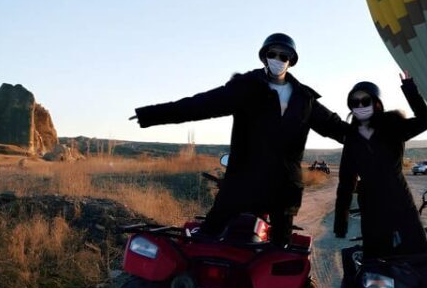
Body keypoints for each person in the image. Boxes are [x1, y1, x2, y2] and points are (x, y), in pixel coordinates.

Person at [131, 33, 346, 243]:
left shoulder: (304, 99)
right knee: (206, 242)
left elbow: (337, 127)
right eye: (274, 54)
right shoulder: (246, 87)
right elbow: (200, 105)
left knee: (280, 254)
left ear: (291, 61)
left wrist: (374, 139)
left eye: (284, 56)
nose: (278, 60)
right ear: (264, 57)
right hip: (241, 181)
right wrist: (150, 114)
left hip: (284, 189)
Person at [333, 72, 427, 258]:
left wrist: (409, 87)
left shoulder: (394, 126)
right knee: (376, 263)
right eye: (355, 103)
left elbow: (426, 121)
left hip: (400, 202)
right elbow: (346, 181)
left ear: (377, 103)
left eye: (365, 101)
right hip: (371, 208)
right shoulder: (352, 138)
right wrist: (341, 222)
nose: (360, 106)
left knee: (420, 256)